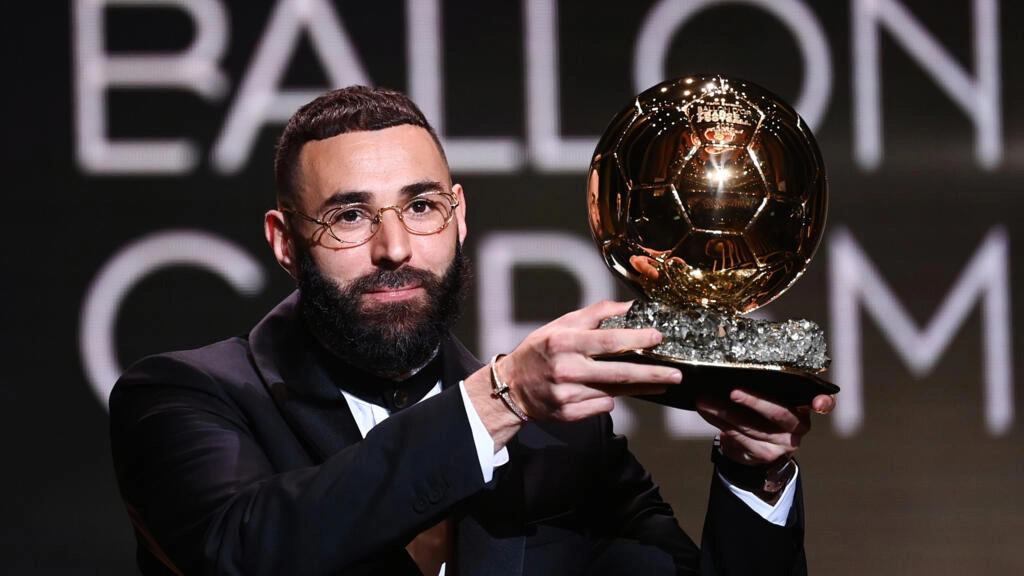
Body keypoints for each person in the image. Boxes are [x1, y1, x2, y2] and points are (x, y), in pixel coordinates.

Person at [109, 85, 836, 576]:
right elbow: (242, 552)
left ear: (459, 216)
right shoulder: (185, 397)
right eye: (350, 215)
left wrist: (754, 473)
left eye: (421, 206)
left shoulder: (564, 439)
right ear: (284, 240)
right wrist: (500, 398)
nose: (395, 248)